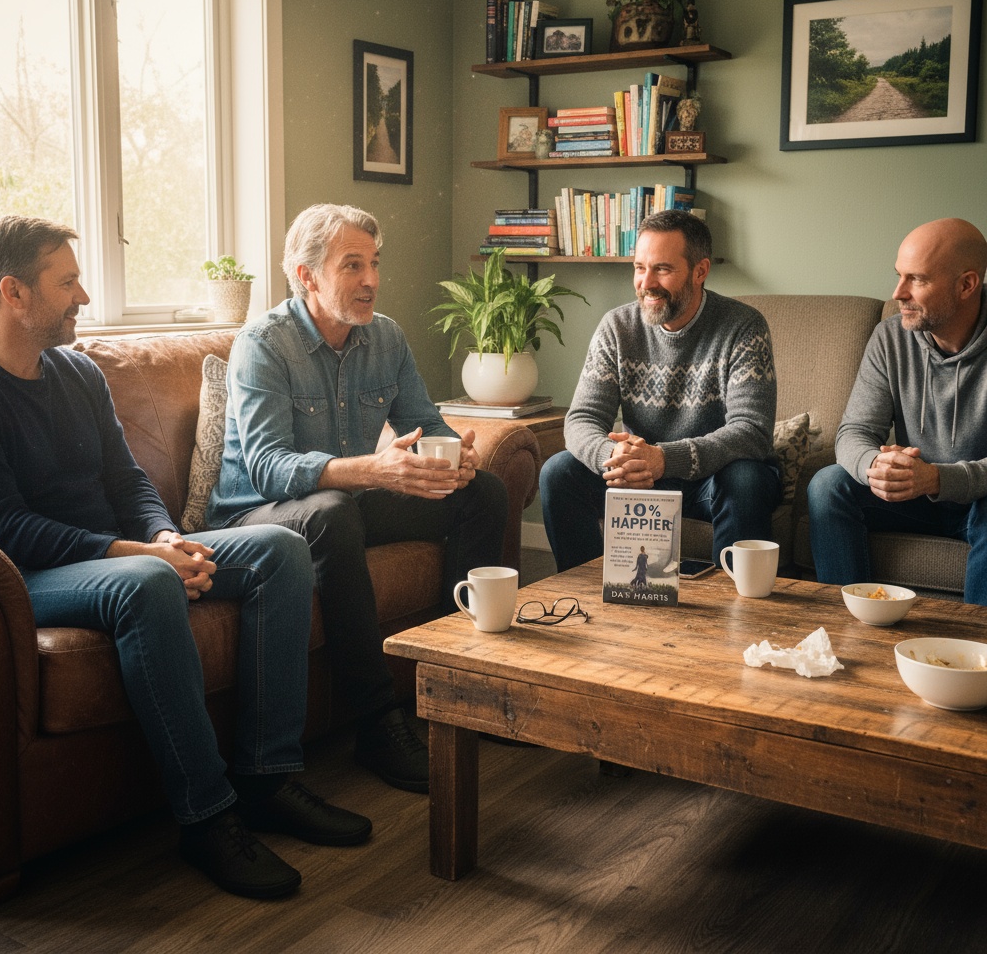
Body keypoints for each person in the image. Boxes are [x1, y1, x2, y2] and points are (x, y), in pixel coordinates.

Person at [0, 216, 374, 901]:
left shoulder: (76, 372)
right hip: (25, 579)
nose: (84, 296)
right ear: (14, 293)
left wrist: (160, 537)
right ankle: (207, 819)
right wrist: (133, 554)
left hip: (122, 555)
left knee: (279, 548)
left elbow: (127, 482)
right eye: (67, 282)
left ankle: (269, 779)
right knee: (148, 585)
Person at [206, 203, 509, 794]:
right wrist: (374, 469)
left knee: (483, 493)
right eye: (352, 266)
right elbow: (268, 468)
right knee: (334, 511)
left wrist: (457, 455)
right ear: (306, 275)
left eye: (373, 264)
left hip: (345, 502)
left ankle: (457, 687)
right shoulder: (263, 344)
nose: (371, 280)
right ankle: (377, 725)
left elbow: (425, 423)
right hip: (258, 516)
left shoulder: (385, 336)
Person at [540, 209, 781, 572]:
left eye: (662, 269)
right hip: (641, 477)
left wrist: (663, 459)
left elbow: (751, 432)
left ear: (700, 271)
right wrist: (616, 456)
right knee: (558, 472)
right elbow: (582, 419)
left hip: (712, 479)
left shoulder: (742, 327)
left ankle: (733, 613)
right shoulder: (617, 327)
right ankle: (586, 596)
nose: (646, 283)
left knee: (746, 478)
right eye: (639, 268)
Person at [808, 218, 987, 605]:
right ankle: (847, 630)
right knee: (828, 485)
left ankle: (975, 650)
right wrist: (876, 466)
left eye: (917, 280)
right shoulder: (892, 336)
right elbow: (854, 431)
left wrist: (936, 479)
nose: (898, 292)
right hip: (914, 495)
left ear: (967, 284)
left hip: (978, 497)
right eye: (899, 276)